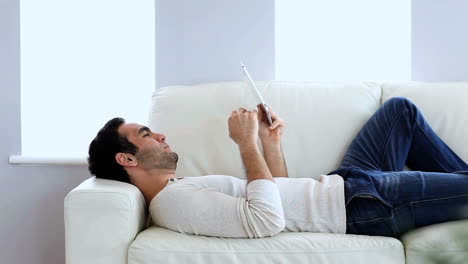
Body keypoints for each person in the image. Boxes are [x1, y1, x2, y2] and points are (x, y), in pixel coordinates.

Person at [87, 97, 468, 239]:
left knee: (399, 111)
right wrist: (245, 142)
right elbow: (267, 220)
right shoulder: (170, 205)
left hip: (344, 182)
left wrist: (270, 145)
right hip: (362, 204)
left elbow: (278, 196)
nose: (162, 135)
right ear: (127, 159)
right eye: (147, 134)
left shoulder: (180, 187)